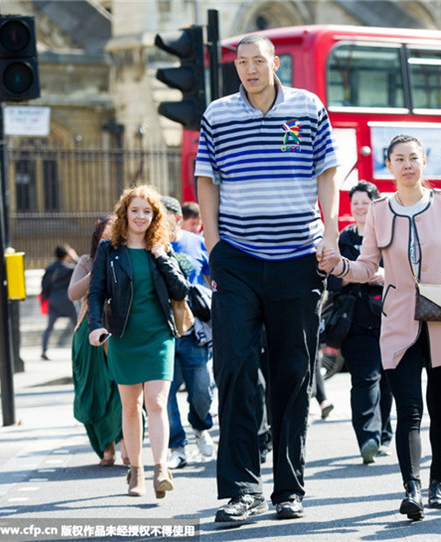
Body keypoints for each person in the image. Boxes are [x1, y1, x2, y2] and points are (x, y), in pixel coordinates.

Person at [194, 33, 340, 522]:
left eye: (259, 61)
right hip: (236, 258)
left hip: (299, 257)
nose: (251, 69)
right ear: (236, 68)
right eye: (243, 62)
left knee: (292, 375)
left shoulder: (308, 106)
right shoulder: (217, 113)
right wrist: (214, 247)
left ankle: (288, 491)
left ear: (276, 63)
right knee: (233, 367)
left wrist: (332, 234)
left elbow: (326, 171)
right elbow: (206, 181)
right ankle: (242, 490)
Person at [320, 134, 441, 520]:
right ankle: (411, 488)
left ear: (424, 162)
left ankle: (436, 484)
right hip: (398, 319)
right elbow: (367, 266)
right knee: (409, 411)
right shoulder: (380, 210)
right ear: (390, 165)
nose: (408, 165)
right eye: (400, 159)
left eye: (414, 158)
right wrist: (339, 267)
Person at [87, 185, 189, 498]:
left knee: (157, 402)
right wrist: (94, 326)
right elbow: (96, 292)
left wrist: (162, 257)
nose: (141, 216)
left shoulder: (162, 246)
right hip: (122, 336)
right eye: (135, 210)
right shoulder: (109, 250)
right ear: (125, 214)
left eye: (147, 211)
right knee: (131, 407)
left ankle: (161, 469)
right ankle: (136, 472)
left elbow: (181, 291)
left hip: (158, 334)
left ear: (155, 216)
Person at [327, 180, 393, 463]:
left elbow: (407, 271)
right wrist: (363, 274)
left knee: (388, 381)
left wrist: (381, 274)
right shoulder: (344, 239)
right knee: (365, 379)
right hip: (355, 322)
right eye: (355, 203)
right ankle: (368, 437)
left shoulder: (389, 235)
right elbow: (332, 279)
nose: (360, 208)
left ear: (376, 205)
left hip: (391, 320)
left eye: (365, 203)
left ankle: (384, 435)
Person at [68, 216, 128, 466]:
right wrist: (97, 270)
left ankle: (126, 443)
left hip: (121, 330)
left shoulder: (130, 257)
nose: (109, 239)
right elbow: (73, 293)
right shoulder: (86, 261)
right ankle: (107, 446)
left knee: (121, 390)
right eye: (104, 235)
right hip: (89, 333)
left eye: (114, 234)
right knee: (93, 390)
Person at [160, 196, 215, 470]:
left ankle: (200, 426)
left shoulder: (196, 242)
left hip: (194, 331)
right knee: (164, 393)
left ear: (178, 218)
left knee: (202, 391)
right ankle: (176, 446)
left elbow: (211, 279)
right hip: (161, 331)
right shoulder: (149, 245)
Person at [40, 244, 79, 360]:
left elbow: (44, 285)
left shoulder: (49, 268)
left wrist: (44, 298)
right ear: (66, 255)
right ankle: (80, 349)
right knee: (78, 326)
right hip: (68, 301)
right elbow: (85, 268)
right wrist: (74, 257)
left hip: (53, 300)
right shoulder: (69, 269)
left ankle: (44, 350)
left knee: (49, 327)